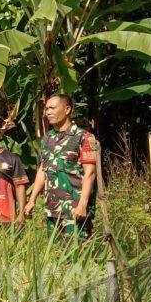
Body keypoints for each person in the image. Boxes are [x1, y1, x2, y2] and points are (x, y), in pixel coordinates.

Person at [24, 94, 97, 238]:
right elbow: (42, 169)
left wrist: (83, 204)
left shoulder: (83, 137)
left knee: (77, 254)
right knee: (56, 254)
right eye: (46, 109)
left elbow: (90, 173)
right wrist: (32, 199)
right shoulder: (48, 138)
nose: (47, 112)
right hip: (52, 208)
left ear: (67, 109)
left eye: (52, 108)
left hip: (74, 209)